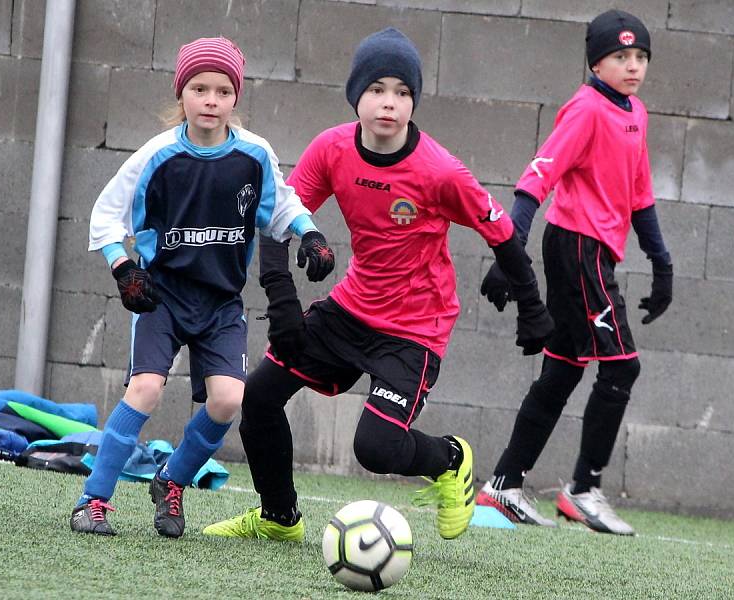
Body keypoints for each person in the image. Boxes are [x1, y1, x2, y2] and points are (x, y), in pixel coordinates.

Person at [203, 27, 553, 543]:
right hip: (351, 308)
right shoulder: (332, 149)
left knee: (378, 447)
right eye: (377, 90)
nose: (389, 103)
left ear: (413, 101)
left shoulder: (439, 171)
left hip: (415, 328)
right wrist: (282, 299)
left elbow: (500, 230)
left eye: (402, 92)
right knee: (257, 399)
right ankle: (279, 518)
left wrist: (532, 307)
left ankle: (451, 460)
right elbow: (278, 213)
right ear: (356, 96)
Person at [69, 36, 334, 538]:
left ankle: (172, 483)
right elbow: (105, 214)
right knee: (145, 390)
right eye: (199, 88)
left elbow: (281, 206)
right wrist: (123, 268)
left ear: (235, 97)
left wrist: (309, 233)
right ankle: (93, 501)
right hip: (162, 297)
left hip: (221, 304)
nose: (211, 100)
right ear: (181, 94)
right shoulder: (157, 155)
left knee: (228, 400)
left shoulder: (254, 154)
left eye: (222, 90)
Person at [476, 10, 672, 536]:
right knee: (622, 368)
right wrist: (507, 248)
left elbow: (640, 194)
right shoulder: (584, 110)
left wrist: (663, 262)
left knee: (564, 368)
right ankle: (584, 490)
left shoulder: (635, 112)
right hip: (577, 246)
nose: (632, 66)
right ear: (596, 61)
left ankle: (502, 488)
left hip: (594, 251)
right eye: (620, 56)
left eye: (640, 57)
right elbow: (537, 176)